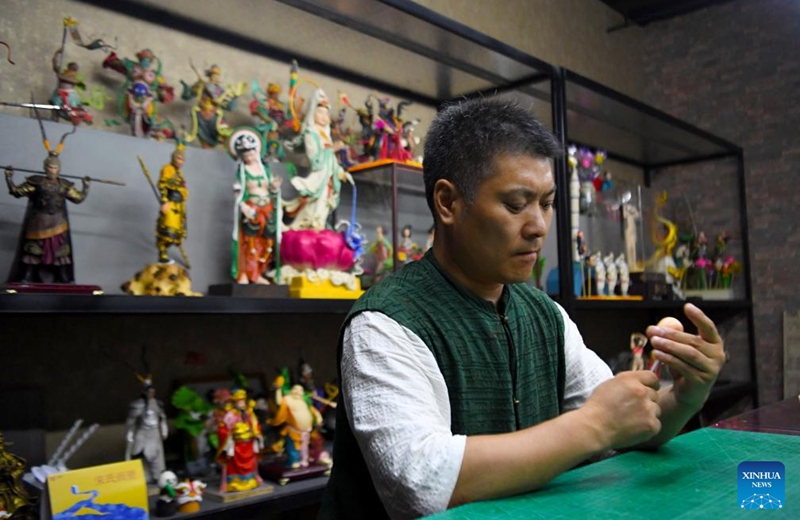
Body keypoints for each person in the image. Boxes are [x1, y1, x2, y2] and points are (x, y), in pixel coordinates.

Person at [320, 97, 726, 519]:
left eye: (547, 203)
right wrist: (592, 426)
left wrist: (685, 393)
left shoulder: (544, 315)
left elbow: (627, 423)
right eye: (516, 205)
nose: (538, 227)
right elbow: (421, 482)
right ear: (448, 203)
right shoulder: (385, 323)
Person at [5, 155, 90, 284]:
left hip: (58, 222)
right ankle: (27, 275)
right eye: (50, 167)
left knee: (60, 250)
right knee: (33, 249)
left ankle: (62, 276)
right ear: (45, 168)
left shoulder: (63, 185)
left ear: (59, 169)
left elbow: (78, 198)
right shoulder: (36, 182)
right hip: (39, 222)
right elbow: (16, 192)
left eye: (55, 168)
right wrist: (9, 178)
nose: (52, 170)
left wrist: (86, 186)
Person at [284, 88, 354, 231]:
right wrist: (332, 149)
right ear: (312, 113)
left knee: (325, 206)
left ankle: (318, 226)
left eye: (327, 113)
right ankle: (308, 226)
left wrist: (341, 172)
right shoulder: (311, 133)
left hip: (328, 178)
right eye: (320, 112)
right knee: (316, 204)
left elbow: (331, 160)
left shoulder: (326, 134)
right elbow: (314, 158)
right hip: (318, 177)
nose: (324, 116)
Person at [230, 130, 282, 284]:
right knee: (248, 242)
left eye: (252, 154)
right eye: (246, 156)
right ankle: (245, 273)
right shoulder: (243, 172)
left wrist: (274, 187)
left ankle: (258, 272)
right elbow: (238, 192)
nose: (249, 158)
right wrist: (243, 206)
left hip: (267, 208)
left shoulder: (265, 171)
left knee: (266, 242)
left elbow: (272, 189)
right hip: (252, 209)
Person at [216, 388, 264, 493]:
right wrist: (230, 434)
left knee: (252, 463)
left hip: (248, 443)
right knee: (232, 464)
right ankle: (234, 483)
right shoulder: (230, 415)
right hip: (236, 445)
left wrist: (256, 433)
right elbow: (222, 429)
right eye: (238, 402)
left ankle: (251, 480)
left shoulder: (249, 413)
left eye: (242, 401)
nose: (241, 404)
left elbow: (256, 426)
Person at [125, 379, 168, 484]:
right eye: (149, 392)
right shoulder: (138, 405)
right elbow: (131, 420)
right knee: (139, 454)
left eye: (153, 392)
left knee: (156, 456)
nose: (151, 394)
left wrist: (164, 430)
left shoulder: (157, 404)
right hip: (142, 433)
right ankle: (143, 476)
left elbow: (162, 418)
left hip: (154, 432)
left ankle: (158, 476)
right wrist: (130, 432)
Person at [156, 145, 188, 265]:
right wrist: (164, 202)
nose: (181, 161)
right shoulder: (167, 169)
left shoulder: (179, 172)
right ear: (174, 157)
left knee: (176, 232)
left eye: (183, 159)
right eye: (179, 158)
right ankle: (163, 254)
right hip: (170, 203)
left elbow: (183, 188)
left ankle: (166, 253)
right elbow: (163, 185)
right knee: (166, 230)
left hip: (179, 205)